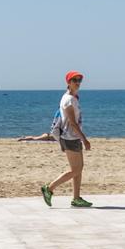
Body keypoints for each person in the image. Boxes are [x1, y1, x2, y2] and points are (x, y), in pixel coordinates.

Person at [41, 70, 92, 207]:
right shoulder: (68, 100)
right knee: (75, 170)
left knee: (78, 168)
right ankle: (49, 188)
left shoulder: (73, 97)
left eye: (79, 80)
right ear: (68, 83)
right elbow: (72, 123)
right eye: (74, 80)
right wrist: (84, 140)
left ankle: (76, 198)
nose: (77, 83)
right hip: (69, 137)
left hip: (72, 137)